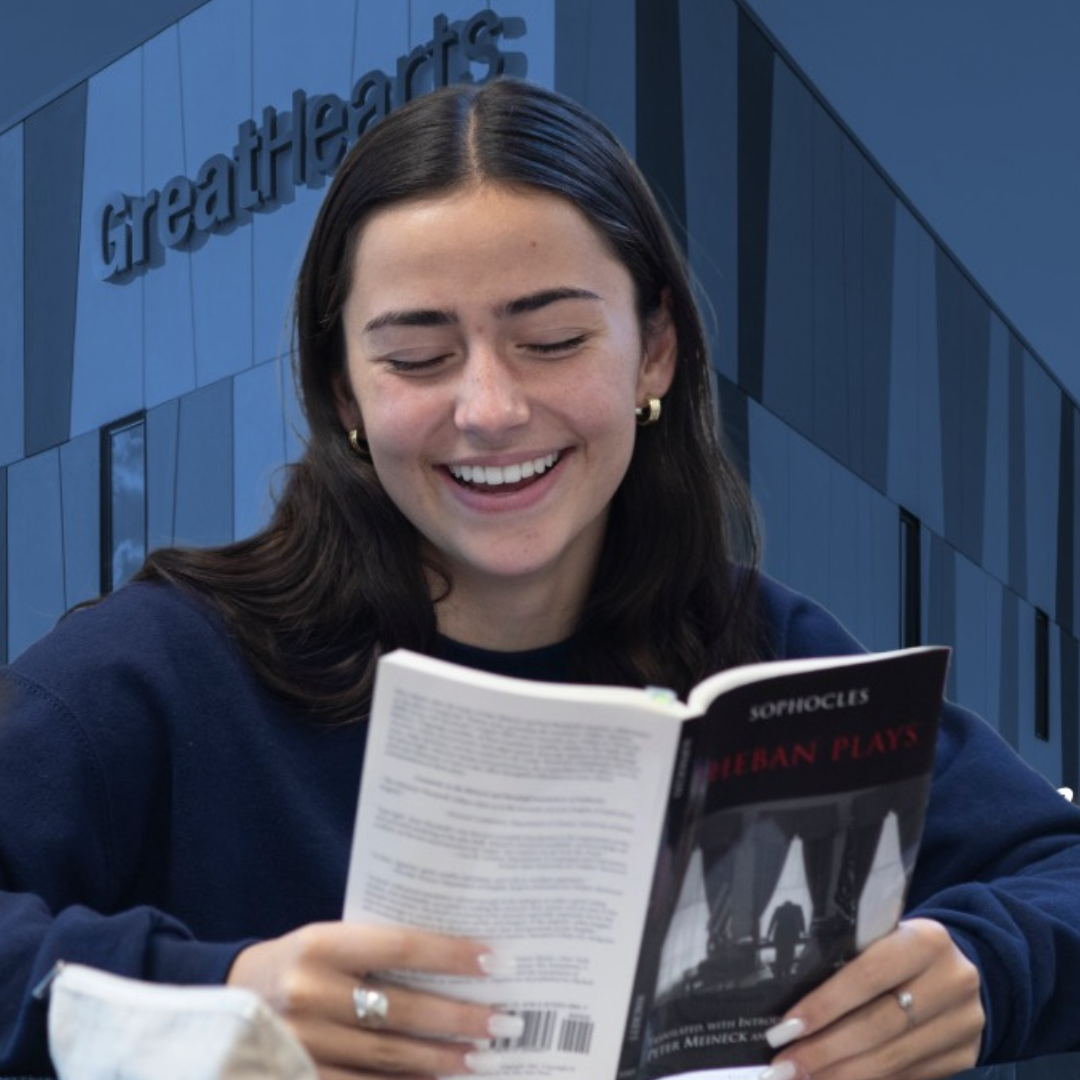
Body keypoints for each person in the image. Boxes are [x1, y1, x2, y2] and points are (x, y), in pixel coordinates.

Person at [0, 76, 1078, 1080]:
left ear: (655, 351)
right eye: (417, 357)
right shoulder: (168, 667)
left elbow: (1057, 875)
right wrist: (215, 992)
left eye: (554, 340)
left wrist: (980, 966)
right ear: (343, 394)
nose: (489, 410)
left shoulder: (763, 652)